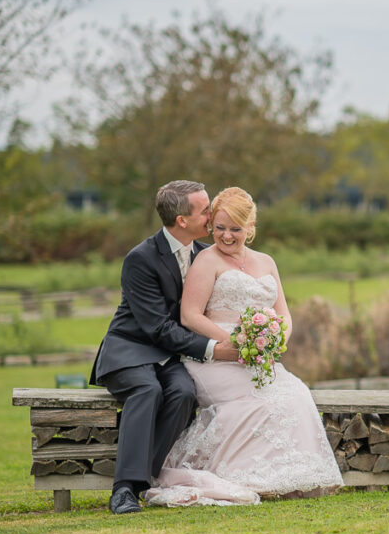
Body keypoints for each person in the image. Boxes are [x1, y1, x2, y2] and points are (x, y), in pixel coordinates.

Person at [143, 187, 343, 506]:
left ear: (250, 228)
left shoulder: (266, 262)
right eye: (219, 228)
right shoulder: (206, 261)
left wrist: (277, 339)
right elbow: (189, 315)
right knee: (257, 403)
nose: (226, 236)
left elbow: (284, 313)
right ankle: (243, 478)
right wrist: (234, 341)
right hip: (214, 359)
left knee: (296, 394)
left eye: (235, 229)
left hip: (259, 356)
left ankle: (288, 477)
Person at [90, 180, 240, 514]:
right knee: (146, 390)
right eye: (205, 210)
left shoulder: (205, 254)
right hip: (131, 348)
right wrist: (215, 349)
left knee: (184, 394)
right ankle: (124, 489)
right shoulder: (140, 259)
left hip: (170, 354)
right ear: (182, 220)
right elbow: (157, 327)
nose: (212, 214)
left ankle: (146, 479)